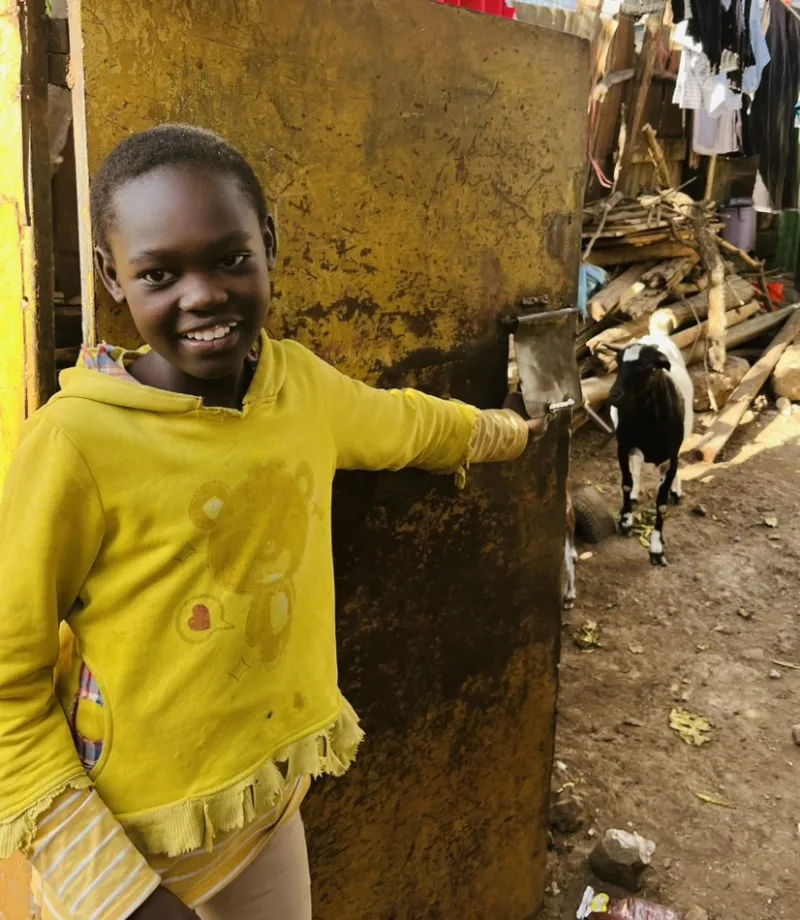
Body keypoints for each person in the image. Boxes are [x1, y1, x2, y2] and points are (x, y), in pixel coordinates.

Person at [0, 125, 544, 920]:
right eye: (159, 274)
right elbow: (6, 682)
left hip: (263, 809)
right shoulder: (76, 443)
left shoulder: (298, 388)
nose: (202, 296)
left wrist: (510, 430)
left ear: (269, 244)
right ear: (113, 277)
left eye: (230, 260)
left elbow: (407, 425)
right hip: (123, 846)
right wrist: (124, 897)